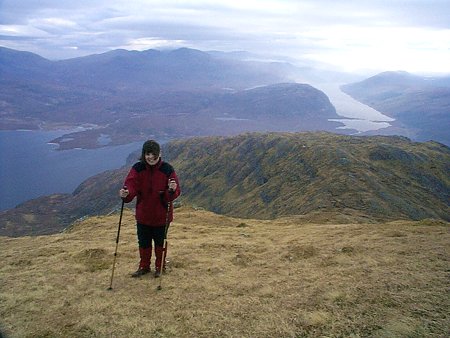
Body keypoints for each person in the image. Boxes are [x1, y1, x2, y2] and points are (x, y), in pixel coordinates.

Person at [119, 140, 180, 278]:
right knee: (144, 242)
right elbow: (131, 185)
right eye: (147, 154)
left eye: (154, 154)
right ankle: (144, 266)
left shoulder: (167, 169)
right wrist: (126, 193)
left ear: (159, 154)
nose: (150, 157)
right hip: (143, 216)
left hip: (161, 216)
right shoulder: (138, 168)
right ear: (144, 154)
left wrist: (171, 190)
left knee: (160, 243)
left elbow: (174, 192)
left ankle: (160, 267)